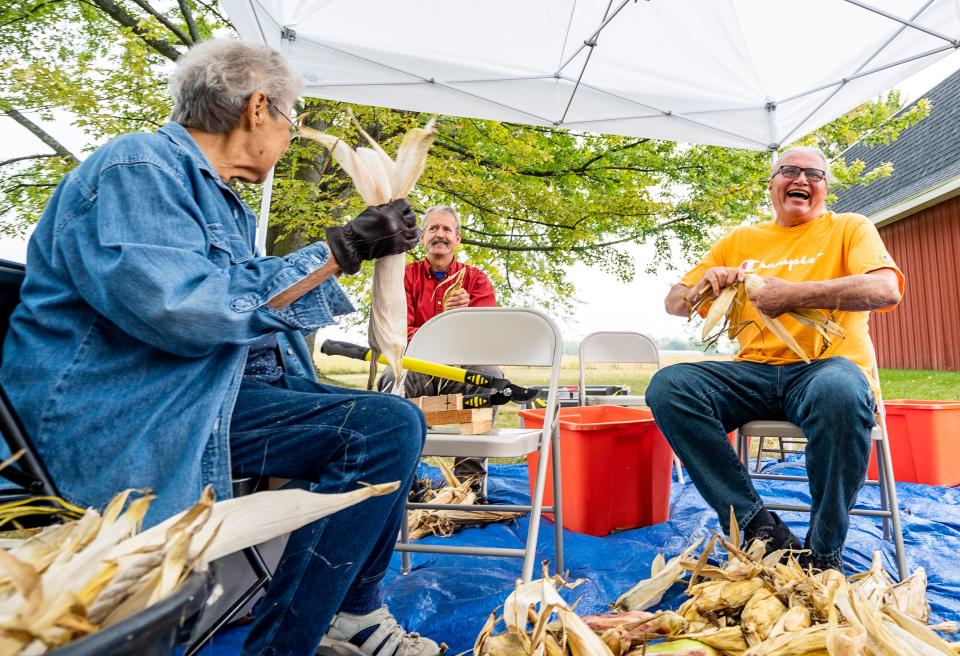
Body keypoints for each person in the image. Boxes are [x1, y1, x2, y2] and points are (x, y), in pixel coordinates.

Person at [0, 39, 440, 656]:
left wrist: (309, 379)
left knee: (388, 424)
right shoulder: (140, 168)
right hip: (128, 409)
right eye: (291, 119)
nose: (290, 138)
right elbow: (184, 310)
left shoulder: (215, 198)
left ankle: (349, 615)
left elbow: (245, 315)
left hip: (200, 398)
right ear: (258, 108)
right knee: (379, 430)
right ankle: (301, 638)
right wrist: (339, 251)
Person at [646, 146, 904, 573]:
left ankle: (822, 556)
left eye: (814, 175)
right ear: (772, 184)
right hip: (753, 374)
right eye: (789, 171)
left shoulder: (850, 228)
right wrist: (702, 287)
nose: (801, 179)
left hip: (825, 371)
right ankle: (759, 527)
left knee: (840, 388)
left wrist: (794, 295)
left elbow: (885, 291)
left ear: (824, 189)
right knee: (670, 386)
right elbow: (675, 302)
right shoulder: (741, 239)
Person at [377, 205, 498, 481]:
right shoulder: (405, 276)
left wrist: (465, 316)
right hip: (418, 366)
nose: (439, 234)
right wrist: (442, 322)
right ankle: (401, 477)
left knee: (490, 376)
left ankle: (468, 482)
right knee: (390, 376)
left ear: (458, 239)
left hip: (460, 369)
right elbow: (397, 332)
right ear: (422, 238)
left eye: (446, 229)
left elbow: (486, 337)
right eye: (433, 228)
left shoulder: (476, 279)